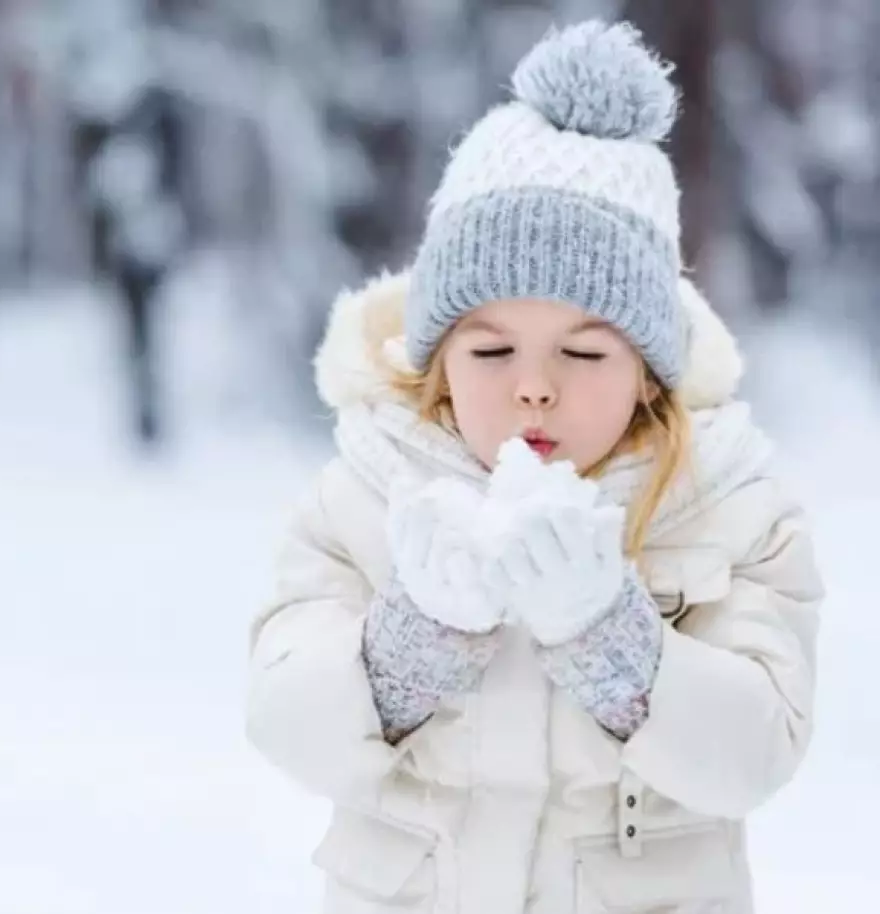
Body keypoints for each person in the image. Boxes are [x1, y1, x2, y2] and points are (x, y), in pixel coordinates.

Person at [245, 20, 824, 914]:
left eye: (584, 356)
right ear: (437, 359)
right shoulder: (363, 494)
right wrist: (407, 648)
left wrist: (615, 643)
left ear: (648, 370)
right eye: (491, 353)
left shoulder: (730, 508)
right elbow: (284, 724)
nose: (534, 391)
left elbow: (757, 754)